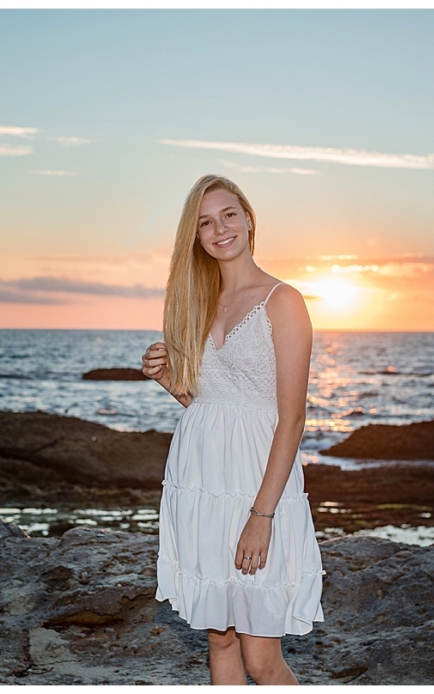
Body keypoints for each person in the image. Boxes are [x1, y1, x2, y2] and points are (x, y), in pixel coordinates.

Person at [141, 174, 325, 685]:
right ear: (195, 237)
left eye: (228, 214)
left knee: (261, 656)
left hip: (255, 484)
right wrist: (167, 380)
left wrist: (261, 515)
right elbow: (207, 402)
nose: (219, 228)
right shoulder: (199, 303)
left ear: (248, 218)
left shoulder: (283, 301)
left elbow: (291, 417)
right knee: (219, 637)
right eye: (205, 222)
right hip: (200, 482)